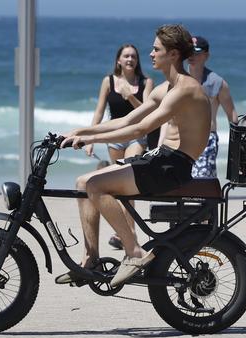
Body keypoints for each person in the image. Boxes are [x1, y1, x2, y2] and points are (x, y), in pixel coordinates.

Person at [59, 24, 211, 286]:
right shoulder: (164, 89)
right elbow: (127, 119)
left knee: (96, 185)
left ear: (173, 54)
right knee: (83, 183)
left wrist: (90, 139)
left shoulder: (185, 89)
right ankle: (90, 259)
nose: (150, 54)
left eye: (156, 49)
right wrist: (80, 130)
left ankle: (134, 252)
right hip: (160, 159)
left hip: (173, 166)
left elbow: (141, 129)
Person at [85, 44, 155, 250]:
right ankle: (122, 232)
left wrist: (129, 96)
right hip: (115, 137)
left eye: (133, 56)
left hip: (136, 137)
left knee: (126, 174)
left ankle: (130, 233)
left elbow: (147, 112)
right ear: (118, 60)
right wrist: (90, 138)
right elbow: (99, 112)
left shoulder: (146, 82)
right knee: (118, 186)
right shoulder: (108, 81)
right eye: (126, 56)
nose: (130, 59)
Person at [187, 35, 238, 178]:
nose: (191, 56)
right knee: (182, 184)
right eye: (189, 52)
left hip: (206, 139)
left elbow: (232, 114)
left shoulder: (217, 83)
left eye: (196, 52)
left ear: (206, 56)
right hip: (181, 138)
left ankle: (210, 197)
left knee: (201, 180)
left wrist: (238, 146)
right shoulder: (178, 79)